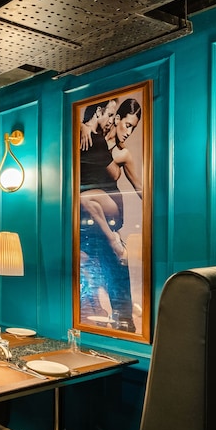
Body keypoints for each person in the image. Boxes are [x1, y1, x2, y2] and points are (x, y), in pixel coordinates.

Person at [78, 97, 143, 333]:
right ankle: (117, 318)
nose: (129, 132)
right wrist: (83, 126)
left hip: (111, 207)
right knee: (101, 267)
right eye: (127, 125)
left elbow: (140, 188)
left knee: (83, 198)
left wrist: (158, 212)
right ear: (116, 119)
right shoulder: (92, 138)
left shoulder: (122, 153)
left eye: (133, 128)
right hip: (92, 215)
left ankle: (114, 240)